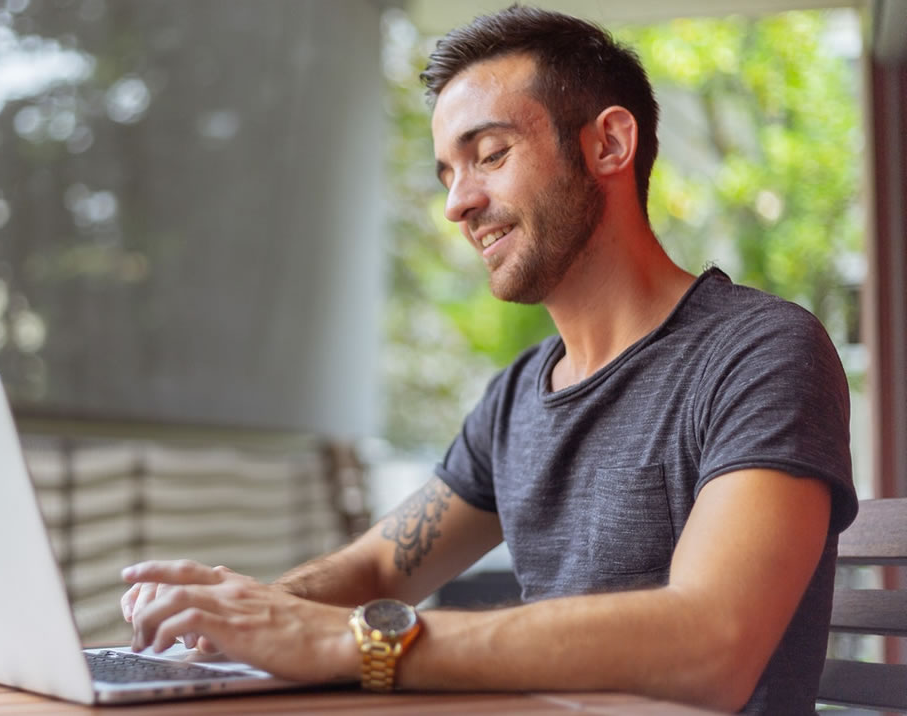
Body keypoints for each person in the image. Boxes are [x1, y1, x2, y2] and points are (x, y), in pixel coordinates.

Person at [119, 5, 858, 713]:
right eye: (447, 173)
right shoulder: (516, 399)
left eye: (490, 155)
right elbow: (383, 567)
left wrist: (358, 643)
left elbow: (712, 647)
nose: (457, 204)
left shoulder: (759, 353)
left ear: (609, 145)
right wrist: (251, 612)